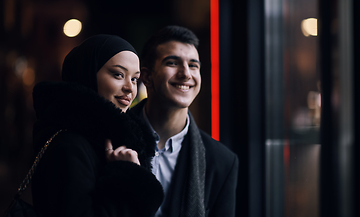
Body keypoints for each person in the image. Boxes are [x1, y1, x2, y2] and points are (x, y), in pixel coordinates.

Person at [31, 34, 164, 217]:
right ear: (88, 73)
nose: (130, 88)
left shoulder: (110, 141)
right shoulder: (69, 145)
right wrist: (128, 175)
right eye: (118, 74)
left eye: (134, 79)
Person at [130, 25, 239, 217]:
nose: (186, 74)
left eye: (193, 65)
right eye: (172, 63)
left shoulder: (222, 161)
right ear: (146, 76)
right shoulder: (110, 139)